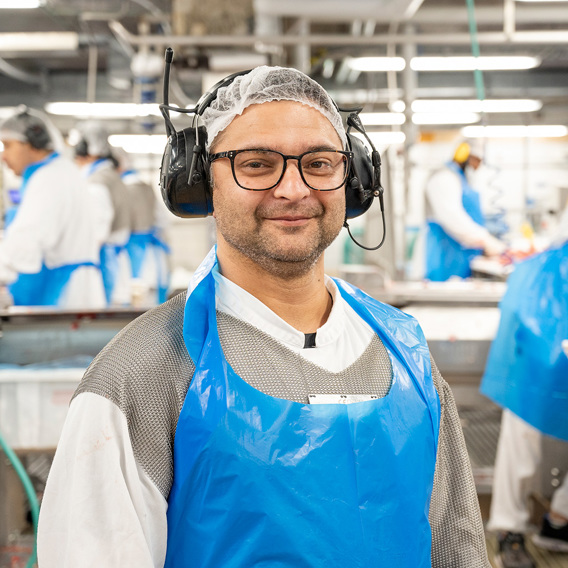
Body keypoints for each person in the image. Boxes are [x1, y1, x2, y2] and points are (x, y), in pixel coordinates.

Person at [37, 66, 490, 567]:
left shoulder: (404, 351)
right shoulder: (140, 376)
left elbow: (458, 544)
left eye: (319, 163)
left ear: (354, 180)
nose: (293, 189)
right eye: (256, 164)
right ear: (199, 182)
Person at [481, 208, 568, 568]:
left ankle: (559, 520)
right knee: (523, 435)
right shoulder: (544, 271)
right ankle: (508, 531)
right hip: (536, 349)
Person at [0, 108, 106, 308]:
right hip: (73, 288)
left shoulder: (49, 178)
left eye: (7, 145)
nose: (3, 156)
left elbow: (26, 240)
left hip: (65, 294)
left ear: (31, 143)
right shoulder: (62, 171)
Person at [424, 139, 506, 281]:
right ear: (464, 156)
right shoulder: (444, 177)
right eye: (476, 161)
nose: (477, 167)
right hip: (446, 256)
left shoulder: (462, 180)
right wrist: (486, 240)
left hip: (464, 257)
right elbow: (452, 218)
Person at [72, 121, 133, 306]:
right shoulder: (112, 175)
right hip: (115, 256)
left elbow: (99, 229)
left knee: (104, 308)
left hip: (104, 259)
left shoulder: (97, 182)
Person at [115, 149, 171, 305]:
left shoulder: (122, 187)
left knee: (132, 293)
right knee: (149, 295)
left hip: (129, 247)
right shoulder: (145, 186)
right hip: (151, 248)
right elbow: (161, 218)